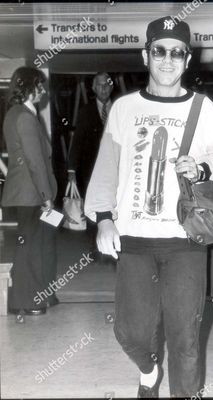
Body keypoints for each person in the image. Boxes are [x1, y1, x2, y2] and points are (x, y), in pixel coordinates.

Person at [85, 16, 213, 398]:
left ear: (188, 60)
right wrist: (104, 218)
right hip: (134, 238)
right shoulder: (124, 108)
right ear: (145, 55)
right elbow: (106, 168)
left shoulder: (203, 108)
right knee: (130, 331)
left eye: (177, 53)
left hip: (184, 238)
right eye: (159, 51)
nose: (168, 60)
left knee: (185, 334)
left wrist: (200, 167)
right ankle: (149, 369)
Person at [2, 67, 58, 319]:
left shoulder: (15, 113)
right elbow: (35, 161)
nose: (43, 90)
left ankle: (39, 294)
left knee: (34, 245)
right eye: (39, 85)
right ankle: (23, 300)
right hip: (31, 193)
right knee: (29, 248)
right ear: (28, 87)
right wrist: (46, 196)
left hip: (25, 192)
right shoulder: (25, 117)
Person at [67, 72, 113, 197]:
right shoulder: (85, 111)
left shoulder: (119, 109)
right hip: (90, 170)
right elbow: (77, 141)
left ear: (112, 87)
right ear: (94, 88)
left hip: (114, 170)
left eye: (106, 85)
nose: (103, 88)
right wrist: (72, 170)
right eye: (99, 85)